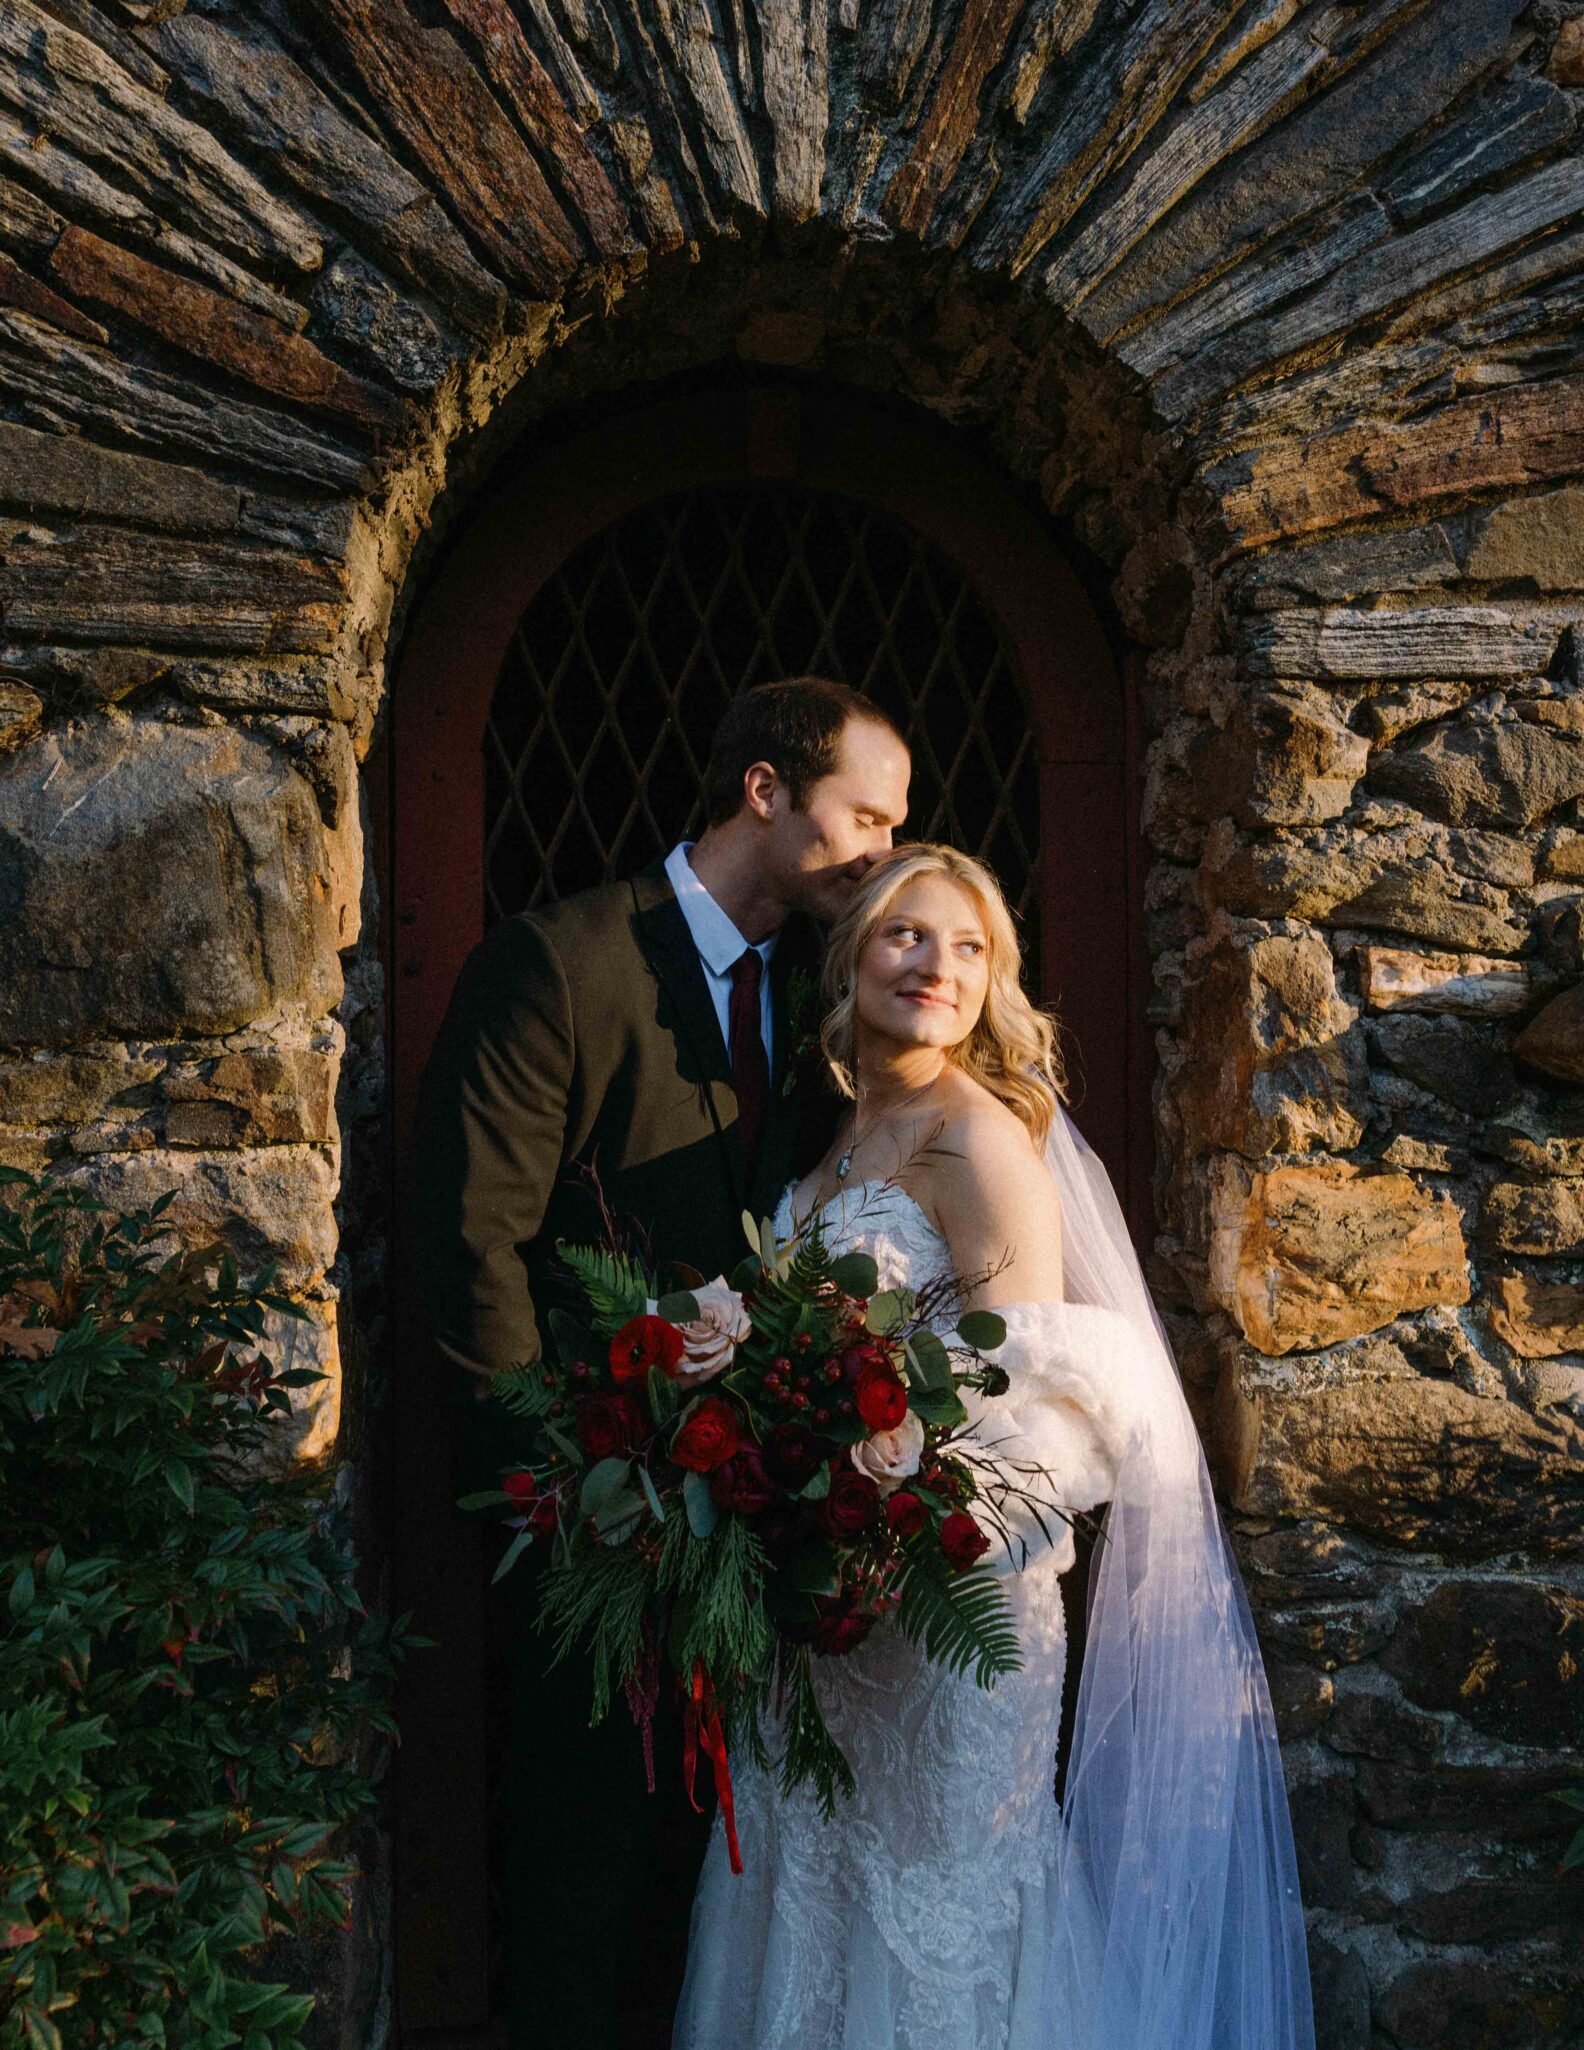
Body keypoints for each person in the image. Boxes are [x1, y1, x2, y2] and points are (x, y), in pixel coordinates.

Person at [672, 844, 1316, 2050]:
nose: (938, 966)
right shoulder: (838, 1141)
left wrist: (874, 1514)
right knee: (812, 1879)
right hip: (829, 1600)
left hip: (947, 1591)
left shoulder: (977, 1139)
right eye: (908, 934)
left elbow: (1017, 1386)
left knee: (943, 1904)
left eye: (971, 948)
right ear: (852, 950)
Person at [408, 676, 912, 2050]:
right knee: (576, 1901)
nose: (883, 849)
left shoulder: (829, 995)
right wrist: (555, 1499)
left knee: (723, 1907)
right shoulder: (560, 961)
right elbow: (476, 1248)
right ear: (764, 789)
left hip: (752, 1534)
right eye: (863, 812)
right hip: (588, 1527)